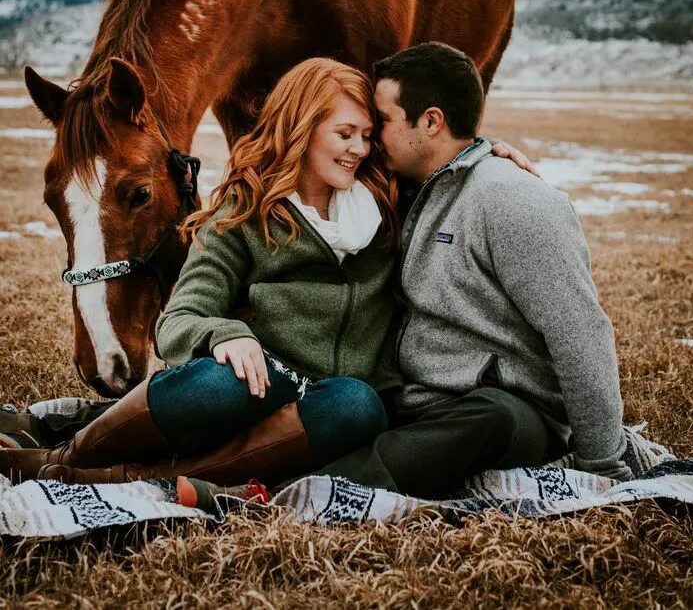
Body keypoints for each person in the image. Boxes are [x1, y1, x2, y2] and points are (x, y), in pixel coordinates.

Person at [0, 53, 532, 492]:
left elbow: (446, 168)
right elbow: (180, 318)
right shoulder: (243, 212)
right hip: (256, 387)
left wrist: (485, 156)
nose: (359, 149)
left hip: (325, 406)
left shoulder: (389, 204)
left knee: (358, 404)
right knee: (219, 380)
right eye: (344, 133)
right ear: (302, 129)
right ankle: (66, 455)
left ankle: (119, 477)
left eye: (367, 135)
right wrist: (227, 335)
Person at [316, 42, 632, 499]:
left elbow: (579, 332)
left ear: (430, 121)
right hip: (416, 402)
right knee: (346, 405)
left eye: (381, 121)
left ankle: (301, 495)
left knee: (490, 417)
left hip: (509, 414)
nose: (369, 139)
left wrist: (602, 464)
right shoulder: (401, 190)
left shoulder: (514, 201)